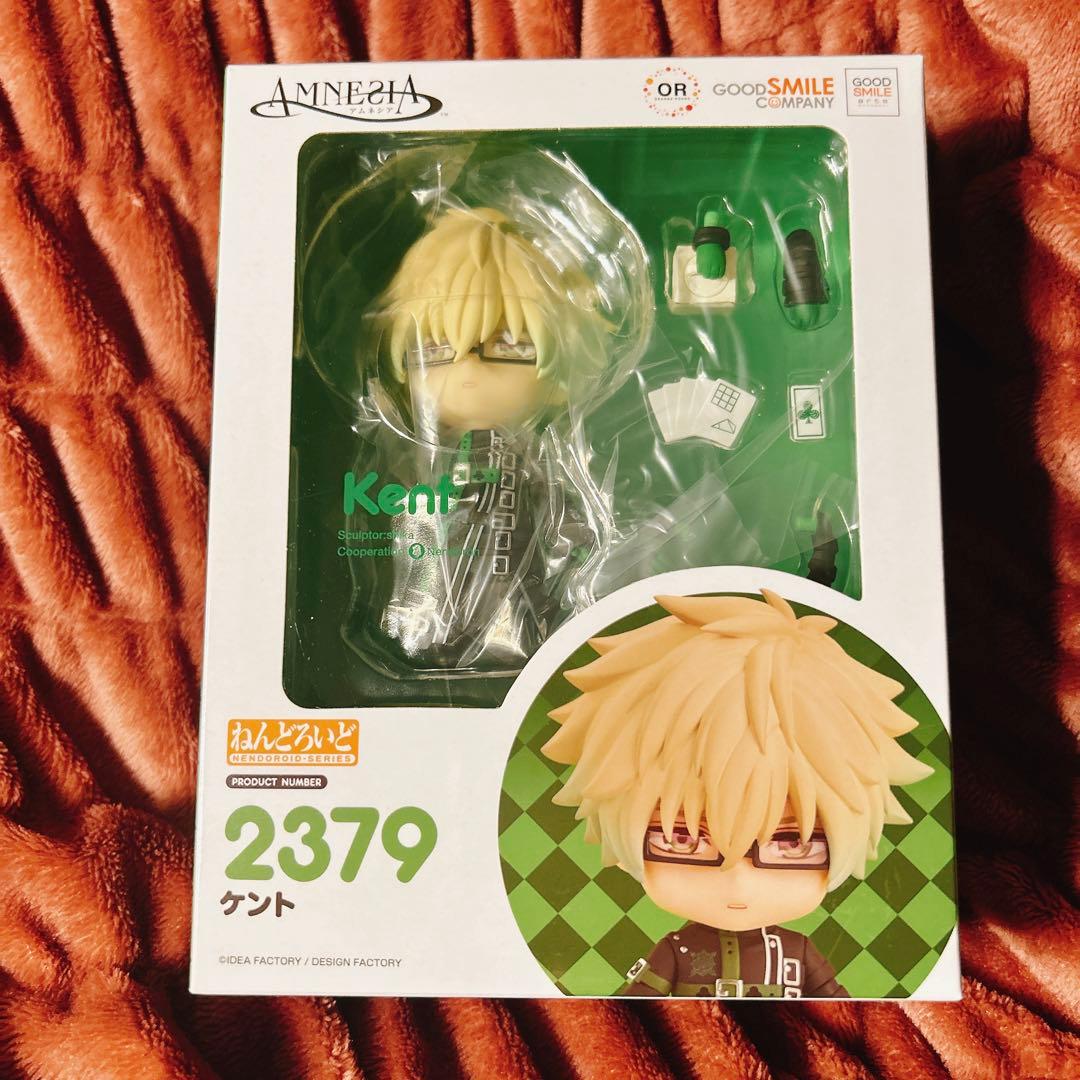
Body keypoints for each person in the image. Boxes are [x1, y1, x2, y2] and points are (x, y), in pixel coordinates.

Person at [543, 589, 934, 998]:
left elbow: (840, 1005)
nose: (738, 884)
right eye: (684, 839)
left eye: (793, 844)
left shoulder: (796, 950)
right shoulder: (679, 949)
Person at [347, 206, 614, 678]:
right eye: (434, 349)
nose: (467, 368)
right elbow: (410, 547)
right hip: (434, 622)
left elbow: (566, 526)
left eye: (507, 345)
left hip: (527, 621)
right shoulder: (417, 471)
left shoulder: (539, 464)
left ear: (560, 364)